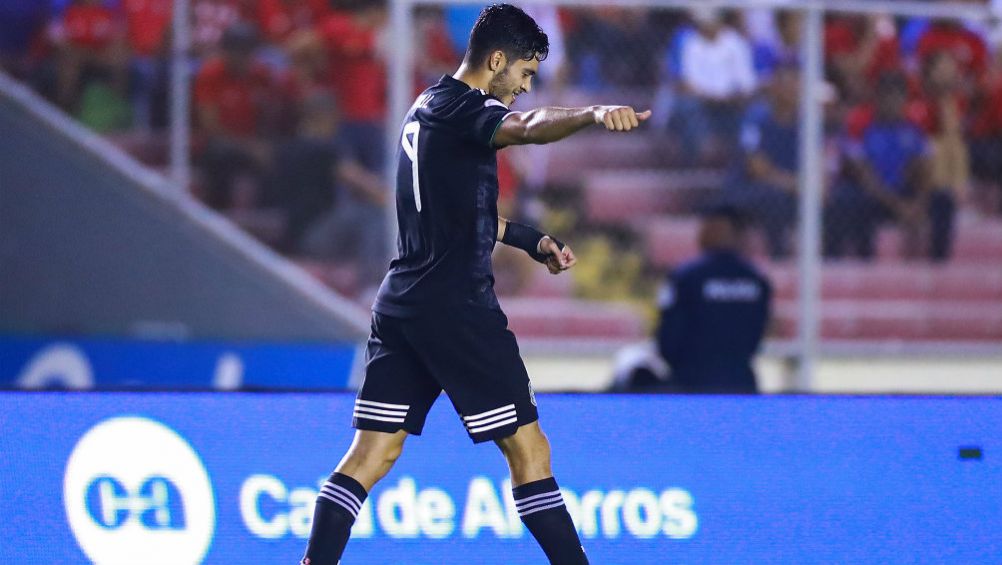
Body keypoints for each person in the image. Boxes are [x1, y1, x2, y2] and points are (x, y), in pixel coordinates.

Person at [300, 4, 650, 564]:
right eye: (525, 74)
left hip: (402, 304)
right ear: (496, 61)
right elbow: (526, 128)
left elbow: (458, 209)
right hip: (456, 308)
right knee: (529, 452)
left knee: (372, 454)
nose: (525, 88)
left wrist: (530, 239)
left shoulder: (427, 106)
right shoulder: (471, 109)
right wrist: (591, 113)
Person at [653, 205, 771, 393]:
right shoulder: (756, 279)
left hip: (690, 382)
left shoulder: (685, 276)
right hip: (740, 381)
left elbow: (668, 333)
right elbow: (759, 331)